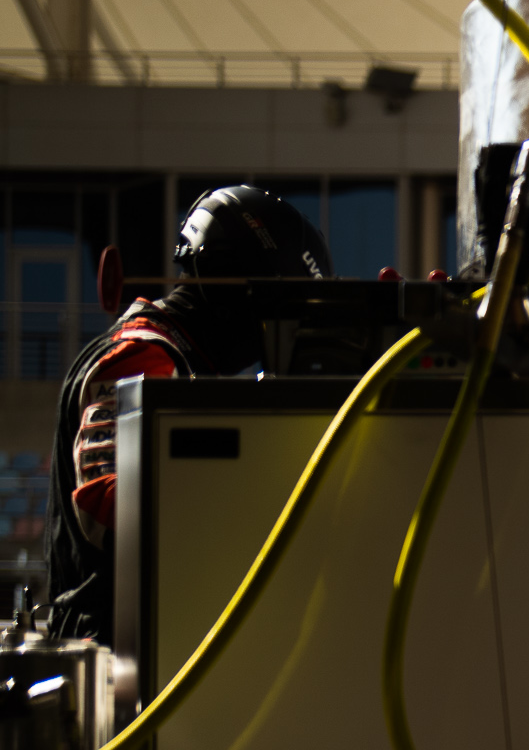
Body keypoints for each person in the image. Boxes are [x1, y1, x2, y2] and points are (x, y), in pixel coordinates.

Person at [47, 184, 329, 645]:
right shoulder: (145, 359)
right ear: (238, 290)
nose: (268, 342)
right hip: (123, 658)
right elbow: (113, 511)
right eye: (272, 317)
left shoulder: (159, 357)